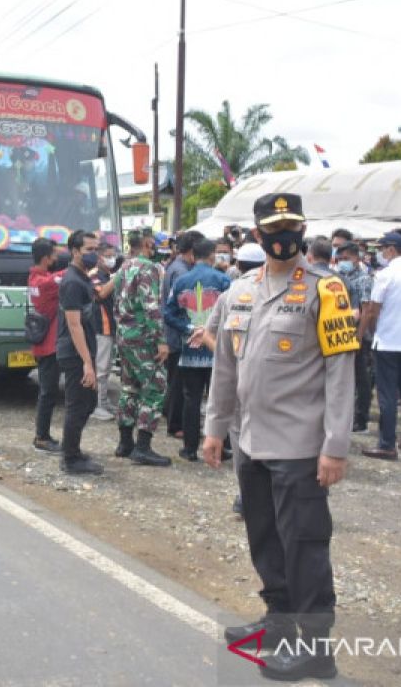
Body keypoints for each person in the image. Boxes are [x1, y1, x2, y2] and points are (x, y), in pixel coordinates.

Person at [197, 192, 358, 681]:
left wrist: (335, 447)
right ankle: (278, 620)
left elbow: (340, 373)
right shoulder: (239, 290)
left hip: (301, 447)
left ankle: (314, 648)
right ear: (258, 234)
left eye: (292, 228)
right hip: (251, 441)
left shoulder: (327, 290)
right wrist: (214, 429)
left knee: (305, 545)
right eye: (275, 228)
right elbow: (225, 366)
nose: (284, 237)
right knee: (264, 538)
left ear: (303, 233)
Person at [358, 233, 401, 459]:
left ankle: (387, 443)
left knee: (387, 394)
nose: (380, 253)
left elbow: (372, 310)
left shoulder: (385, 275)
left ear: (391, 249)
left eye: (382, 249)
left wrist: (360, 335)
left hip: (388, 341)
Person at [163, 237, 229, 461]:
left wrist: (190, 327)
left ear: (193, 255)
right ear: (212, 256)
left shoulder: (182, 281)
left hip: (190, 349)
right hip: (217, 350)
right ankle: (223, 446)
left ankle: (189, 448)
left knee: (191, 399)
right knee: (219, 399)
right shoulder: (223, 280)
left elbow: (169, 313)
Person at [110, 229, 171, 466]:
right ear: (147, 243)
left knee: (130, 387)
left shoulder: (124, 267)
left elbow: (116, 302)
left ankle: (125, 443)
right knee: (156, 387)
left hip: (124, 335)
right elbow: (151, 306)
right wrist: (161, 339)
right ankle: (143, 447)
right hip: (143, 338)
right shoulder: (149, 268)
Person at [58, 230, 104, 474]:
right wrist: (87, 362)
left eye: (96, 249)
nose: (93, 254)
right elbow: (74, 325)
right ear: (75, 251)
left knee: (88, 402)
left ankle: (72, 450)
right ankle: (70, 459)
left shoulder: (83, 277)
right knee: (78, 404)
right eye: (89, 250)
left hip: (85, 350)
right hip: (75, 353)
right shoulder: (72, 282)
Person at [162, 230, 202, 439]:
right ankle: (175, 423)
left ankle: (170, 414)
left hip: (175, 333)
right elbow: (183, 306)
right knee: (178, 382)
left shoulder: (178, 266)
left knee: (176, 380)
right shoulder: (181, 271)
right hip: (178, 334)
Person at [27, 237, 64, 453]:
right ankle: (41, 437)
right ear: (45, 257)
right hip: (48, 345)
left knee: (47, 392)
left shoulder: (36, 279)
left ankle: (43, 435)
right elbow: (64, 276)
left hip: (44, 344)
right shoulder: (46, 283)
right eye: (55, 254)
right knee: (48, 392)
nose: (58, 257)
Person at [337, 242, 374, 432]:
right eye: (340, 259)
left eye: (347, 259)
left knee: (361, 378)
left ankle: (361, 418)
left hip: (359, 334)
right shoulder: (338, 277)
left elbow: (367, 310)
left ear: (357, 259)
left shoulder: (363, 279)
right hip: (341, 333)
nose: (343, 263)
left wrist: (359, 336)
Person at [89, 241, 119, 422]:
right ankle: (97, 405)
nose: (111, 259)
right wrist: (118, 277)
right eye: (108, 256)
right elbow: (101, 294)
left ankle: (104, 400)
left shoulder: (108, 275)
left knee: (106, 367)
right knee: (100, 368)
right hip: (100, 326)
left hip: (110, 326)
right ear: (99, 257)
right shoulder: (94, 275)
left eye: (112, 255)